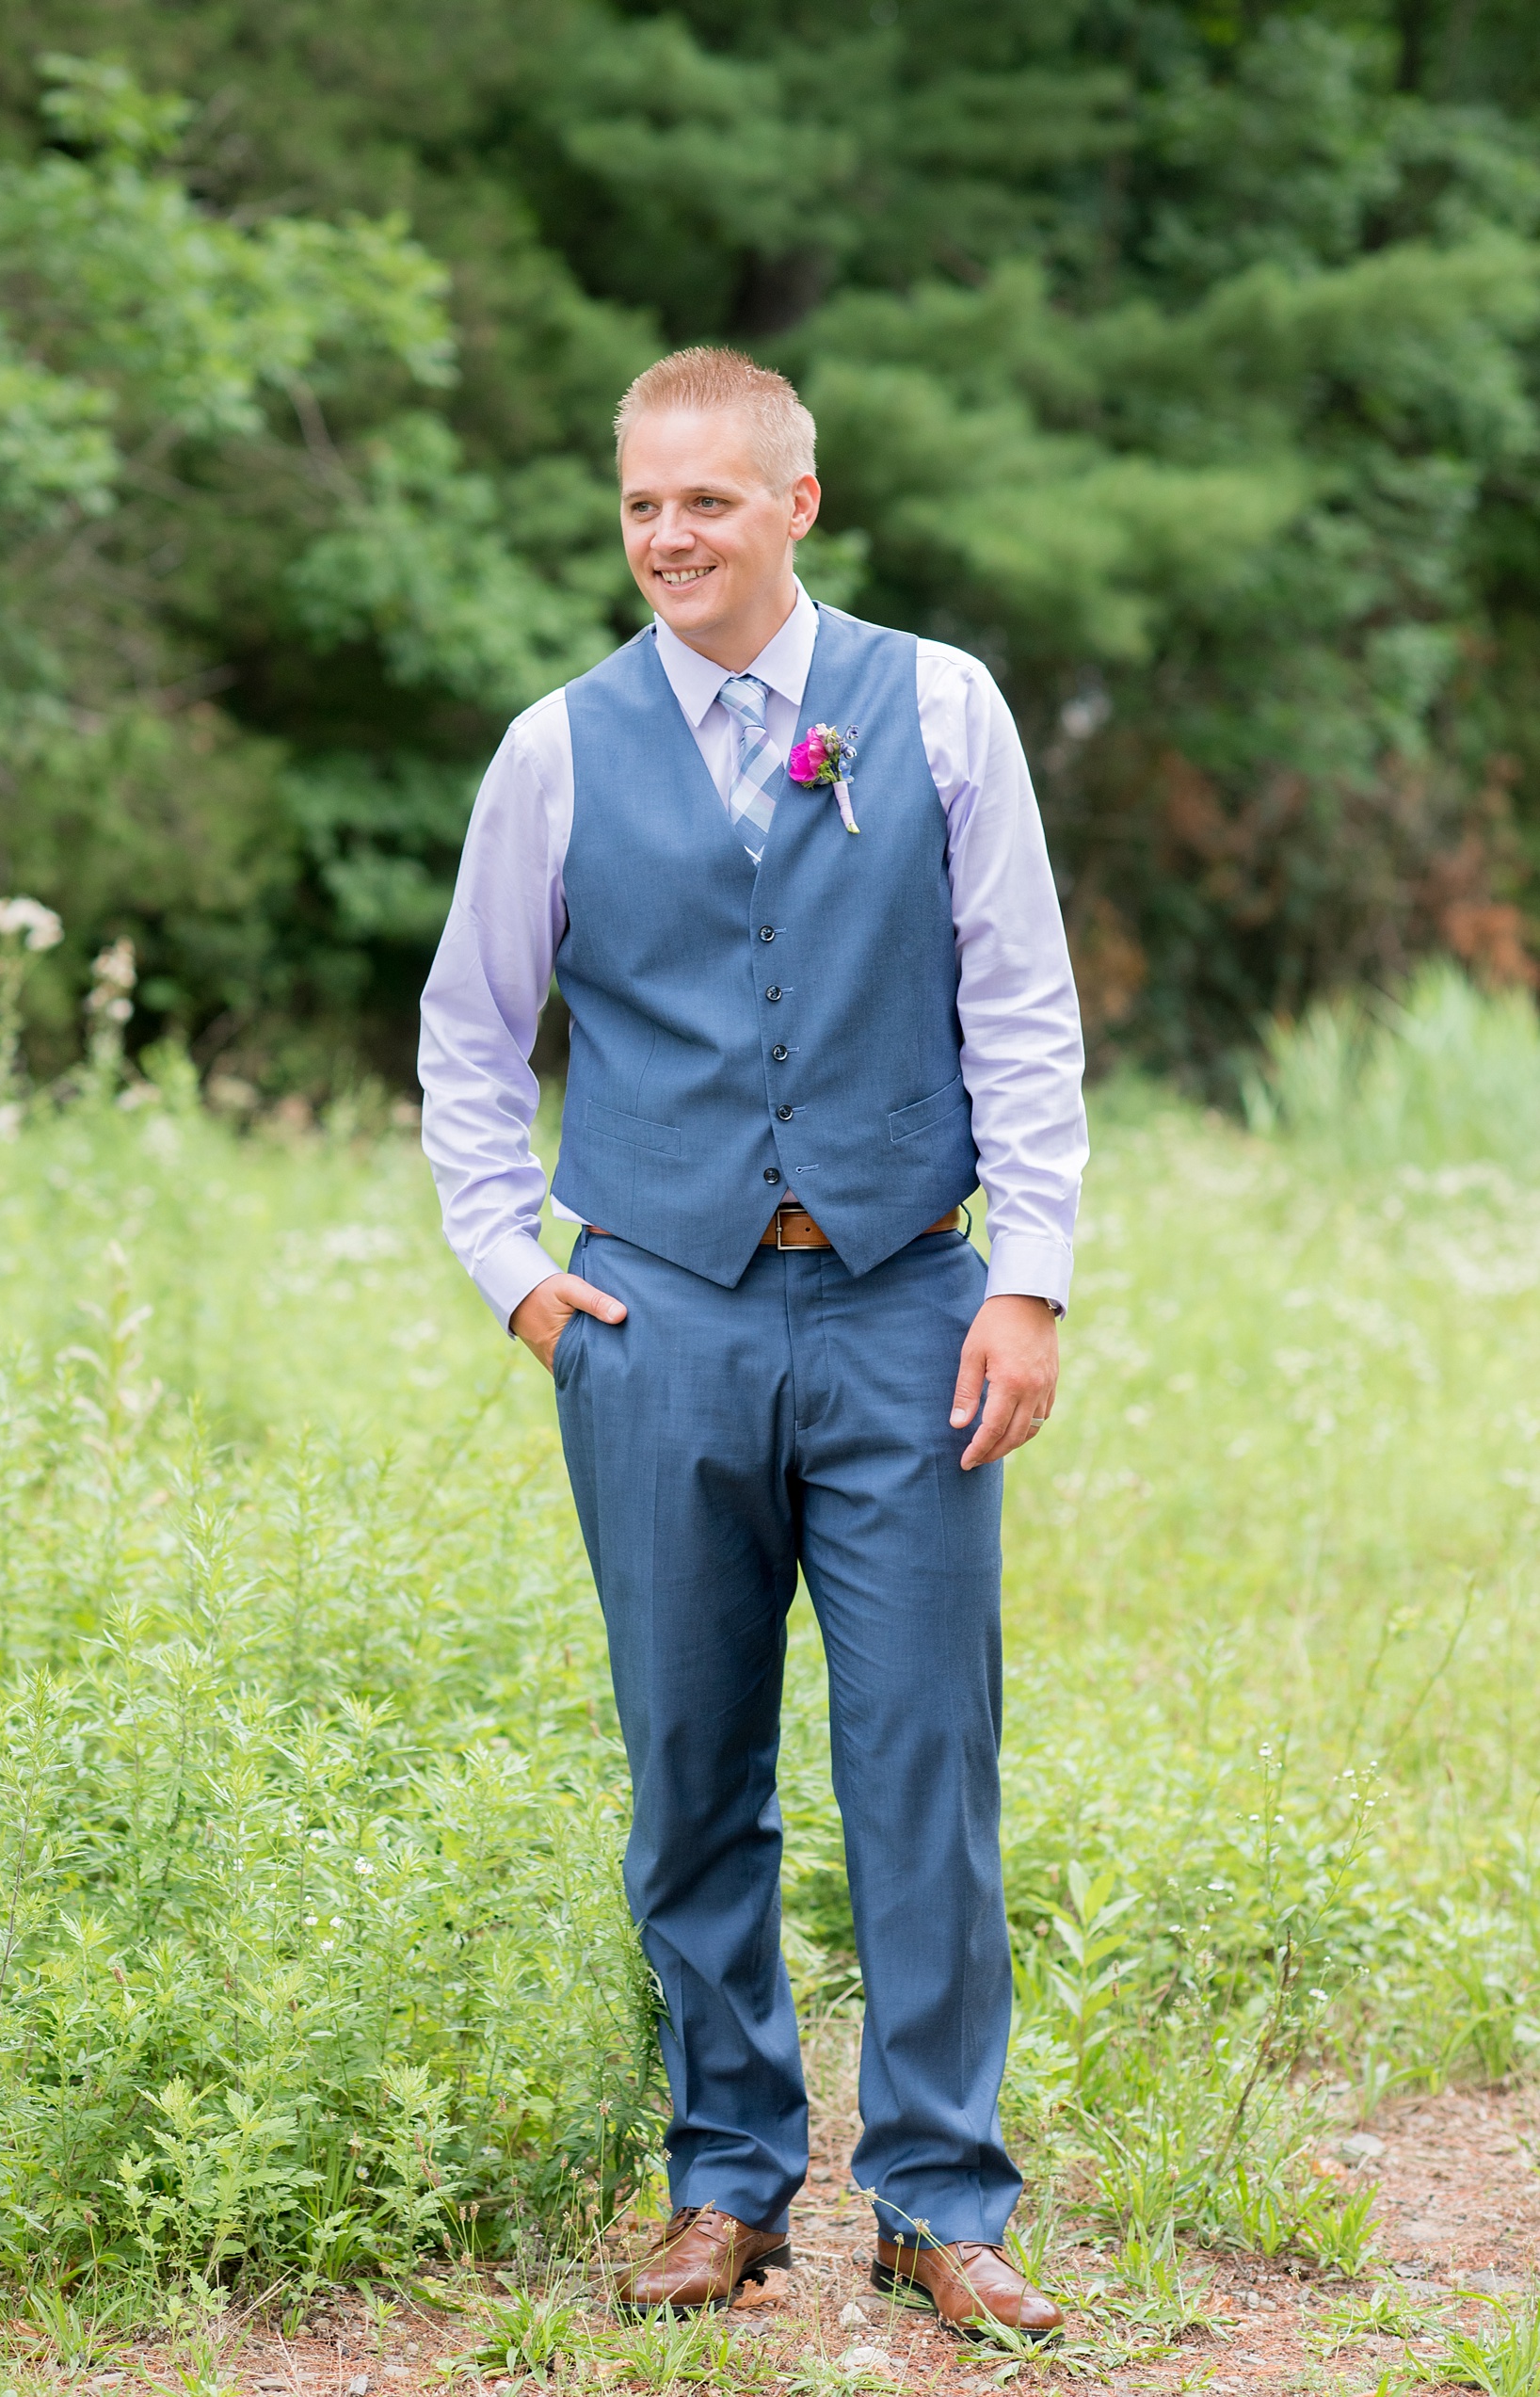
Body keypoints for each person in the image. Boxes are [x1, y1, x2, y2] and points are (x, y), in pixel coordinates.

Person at [419, 347, 1086, 2340]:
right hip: (662, 1321)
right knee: (690, 1767)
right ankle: (727, 2182)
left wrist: (1027, 1280)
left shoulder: (937, 707)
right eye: (639, 503)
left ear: (797, 501)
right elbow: (469, 1038)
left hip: (905, 1307)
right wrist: (516, 1273)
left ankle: (938, 2198)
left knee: (921, 1762)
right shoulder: (554, 747)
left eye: (705, 500)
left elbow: (1024, 1011)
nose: (666, 537)